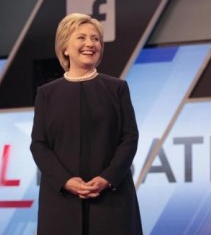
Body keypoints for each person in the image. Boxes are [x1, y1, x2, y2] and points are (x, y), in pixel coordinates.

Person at [30, 13, 143, 234]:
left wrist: (107, 178)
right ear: (65, 47)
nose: (90, 44)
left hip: (112, 199)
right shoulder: (47, 93)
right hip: (62, 201)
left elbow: (129, 138)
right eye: (81, 38)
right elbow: (39, 145)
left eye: (96, 39)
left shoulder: (117, 88)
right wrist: (65, 180)